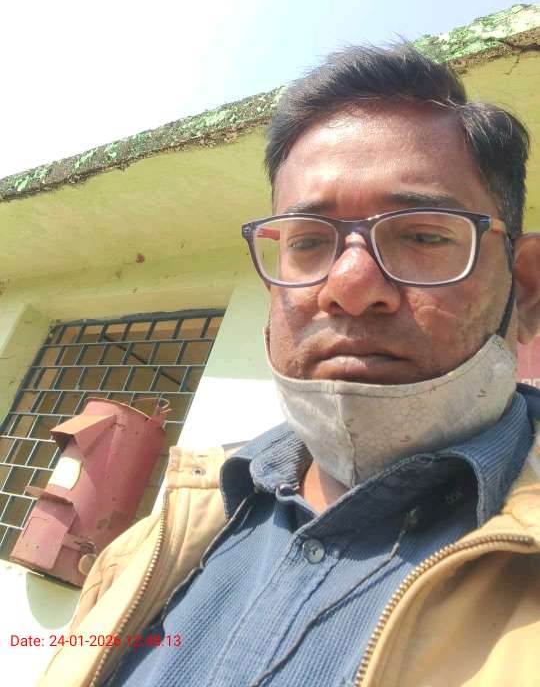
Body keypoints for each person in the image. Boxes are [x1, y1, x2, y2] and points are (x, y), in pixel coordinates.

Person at [39, 44, 540, 687]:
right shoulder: (150, 545)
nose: (350, 286)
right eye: (307, 242)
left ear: (526, 289)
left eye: (422, 235)